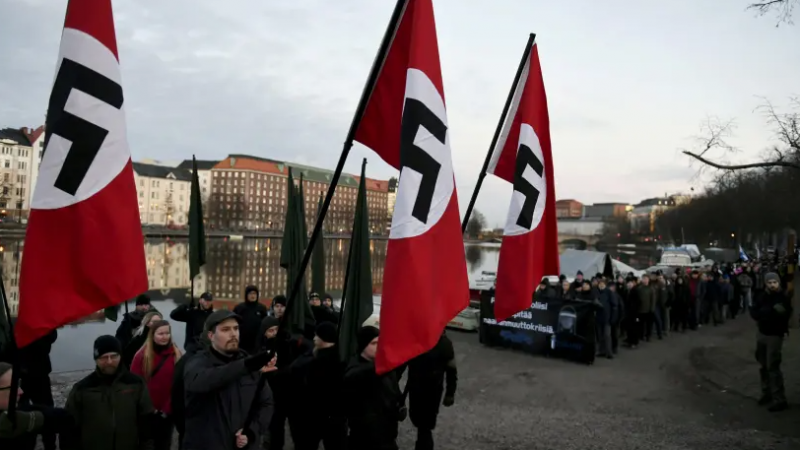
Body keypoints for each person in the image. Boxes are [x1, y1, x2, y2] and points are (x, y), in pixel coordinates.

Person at [183, 310, 276, 450]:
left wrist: (251, 432)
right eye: (225, 329)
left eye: (236, 328)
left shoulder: (250, 364)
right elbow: (200, 381)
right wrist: (246, 366)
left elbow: (266, 403)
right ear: (211, 336)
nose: (233, 334)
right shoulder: (196, 362)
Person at [64, 335, 154, 450]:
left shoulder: (135, 384)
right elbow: (69, 427)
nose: (109, 362)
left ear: (120, 356)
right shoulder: (83, 388)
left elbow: (146, 422)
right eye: (103, 357)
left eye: (114, 356)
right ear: (96, 359)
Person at [344, 326, 403, 450]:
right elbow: (359, 375)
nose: (379, 346)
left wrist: (399, 407)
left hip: (388, 438)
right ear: (362, 345)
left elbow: (394, 392)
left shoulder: (386, 369)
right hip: (364, 440)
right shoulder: (356, 370)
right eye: (374, 343)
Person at [290, 322, 346, 450]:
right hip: (334, 418)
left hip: (315, 416)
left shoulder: (317, 363)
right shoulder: (339, 358)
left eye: (317, 336)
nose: (314, 338)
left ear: (324, 339)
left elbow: (309, 389)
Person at [130, 320, 183, 450]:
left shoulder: (176, 354)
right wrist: (147, 408)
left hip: (167, 412)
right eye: (160, 334)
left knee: (164, 444)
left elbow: (179, 384)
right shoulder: (141, 355)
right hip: (146, 412)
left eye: (167, 333)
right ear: (152, 335)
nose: (164, 336)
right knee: (146, 445)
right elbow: (135, 384)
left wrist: (167, 408)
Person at [0, 362, 73, 450]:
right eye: (13, 387)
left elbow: (64, 418)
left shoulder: (20, 414)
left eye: (18, 384)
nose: (20, 392)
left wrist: (31, 420)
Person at [407, 332, 457, 450]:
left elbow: (451, 371)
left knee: (425, 427)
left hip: (432, 391)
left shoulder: (444, 344)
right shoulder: (416, 340)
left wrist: (450, 393)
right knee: (417, 420)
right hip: (415, 388)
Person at [750, 272, 792, 412]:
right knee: (763, 366)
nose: (772, 285)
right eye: (770, 282)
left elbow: (782, 314)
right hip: (762, 333)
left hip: (775, 335)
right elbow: (755, 311)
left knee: (773, 367)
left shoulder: (783, 297)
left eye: (775, 282)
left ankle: (779, 399)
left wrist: (765, 313)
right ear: (766, 283)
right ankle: (766, 393)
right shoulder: (761, 296)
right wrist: (765, 313)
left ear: (778, 283)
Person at [18, 329, 58, 450]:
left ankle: (49, 444)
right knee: (21, 411)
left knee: (45, 409)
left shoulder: (43, 323)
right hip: (21, 372)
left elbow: (51, 337)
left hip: (39, 372)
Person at [233, 285, 268, 354]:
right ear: (246, 295)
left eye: (254, 293)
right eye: (250, 293)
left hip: (257, 343)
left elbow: (265, 325)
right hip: (242, 343)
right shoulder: (239, 308)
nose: (252, 296)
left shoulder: (262, 308)